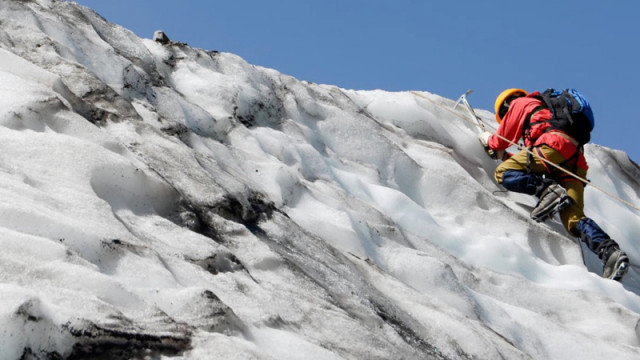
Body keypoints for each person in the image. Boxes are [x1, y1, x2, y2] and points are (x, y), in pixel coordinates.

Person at [478, 88, 629, 281]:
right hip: (574, 161)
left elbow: (500, 141)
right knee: (573, 218)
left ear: (506, 105)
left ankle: (548, 192)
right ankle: (611, 253)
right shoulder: (548, 112)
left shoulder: (520, 103)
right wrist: (507, 156)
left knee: (503, 173)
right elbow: (535, 161)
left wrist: (489, 142)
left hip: (553, 146)